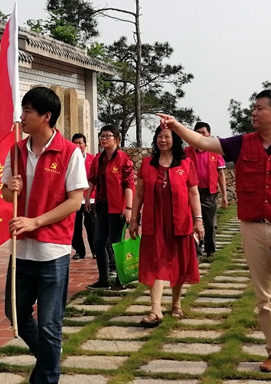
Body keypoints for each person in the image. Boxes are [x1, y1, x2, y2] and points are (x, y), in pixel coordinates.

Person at [158, 89, 271, 374]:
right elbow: (202, 141)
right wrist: (175, 126)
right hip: (253, 228)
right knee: (264, 294)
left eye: (259, 108)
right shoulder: (241, 143)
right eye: (254, 108)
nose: (253, 113)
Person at [1, 86, 88, 384]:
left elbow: (75, 201)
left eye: (27, 111)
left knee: (51, 324)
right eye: (22, 110)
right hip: (22, 249)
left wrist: (35, 221)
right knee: (15, 313)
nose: (22, 117)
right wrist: (9, 187)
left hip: (53, 249)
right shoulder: (16, 150)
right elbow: (3, 194)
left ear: (46, 117)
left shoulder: (69, 152)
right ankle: (48, 360)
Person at [129, 127, 204, 327]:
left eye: (167, 137)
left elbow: (194, 194)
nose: (163, 140)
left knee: (178, 261)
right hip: (155, 223)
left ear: (175, 140)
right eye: (159, 136)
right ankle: (155, 310)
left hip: (180, 222)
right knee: (155, 262)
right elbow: (139, 194)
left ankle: (176, 303)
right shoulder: (147, 164)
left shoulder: (186, 164)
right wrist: (134, 219)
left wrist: (198, 219)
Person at [85, 125, 135, 290]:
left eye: (108, 136)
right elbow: (92, 180)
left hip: (118, 209)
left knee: (116, 244)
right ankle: (103, 279)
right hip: (101, 207)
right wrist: (87, 198)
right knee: (98, 242)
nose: (104, 139)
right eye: (102, 136)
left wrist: (128, 207)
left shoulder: (123, 159)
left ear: (117, 140)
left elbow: (129, 184)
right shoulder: (98, 159)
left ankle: (121, 281)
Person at [184, 121, 228, 260]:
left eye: (203, 132)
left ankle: (210, 249)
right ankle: (196, 251)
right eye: (197, 133)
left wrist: (225, 196)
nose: (200, 135)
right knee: (193, 222)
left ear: (208, 134)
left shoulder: (214, 151)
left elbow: (221, 175)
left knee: (210, 224)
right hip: (191, 192)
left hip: (209, 192)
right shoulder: (186, 152)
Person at [71, 133, 95, 260]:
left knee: (92, 224)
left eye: (80, 143)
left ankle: (95, 250)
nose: (78, 145)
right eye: (75, 143)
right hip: (75, 198)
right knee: (76, 226)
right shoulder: (69, 159)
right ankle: (79, 251)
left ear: (85, 145)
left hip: (90, 198)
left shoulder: (92, 159)